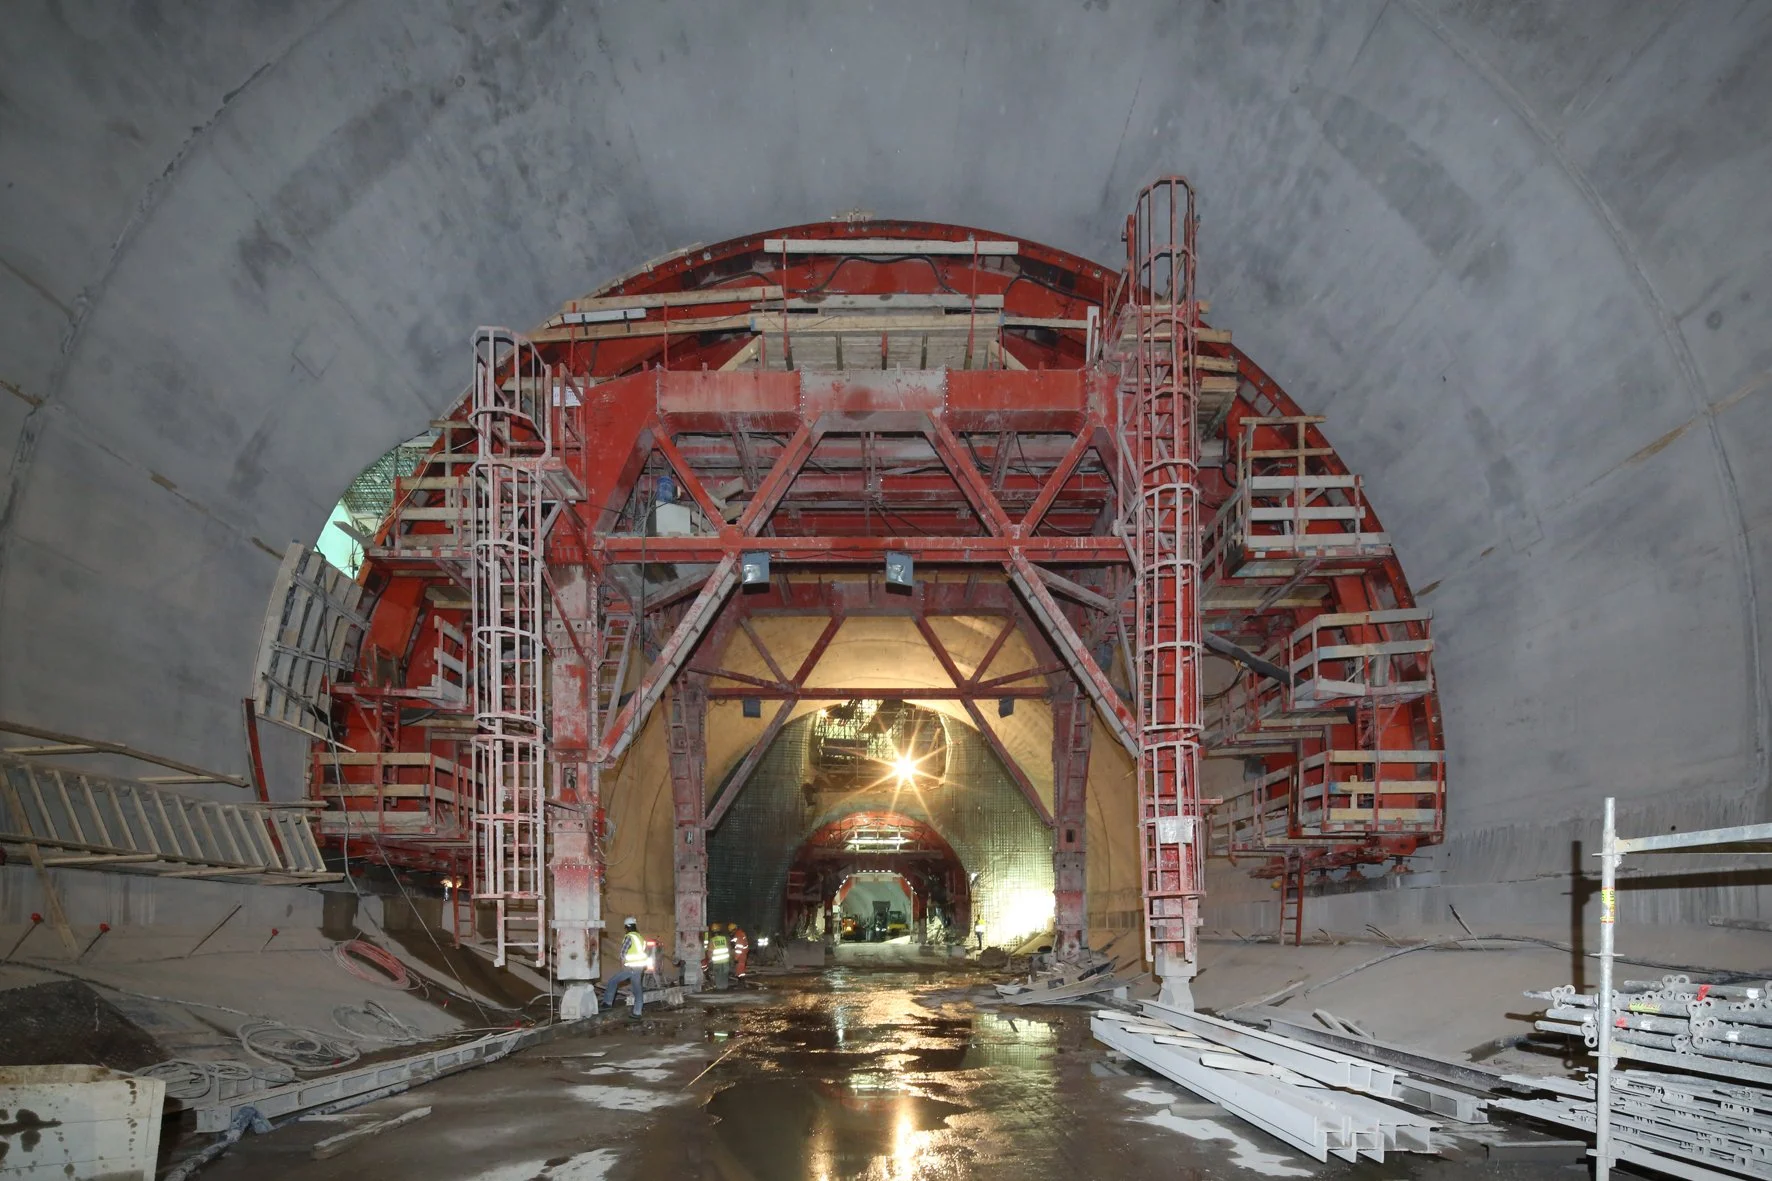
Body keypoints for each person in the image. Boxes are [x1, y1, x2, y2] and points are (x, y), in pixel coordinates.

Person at [602, 916, 650, 1017]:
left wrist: (622, 965)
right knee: (637, 990)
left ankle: (607, 1003)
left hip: (630, 968)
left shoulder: (629, 937)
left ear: (627, 927)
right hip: (639, 968)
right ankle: (637, 1012)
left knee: (612, 981)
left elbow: (623, 953)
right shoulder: (640, 937)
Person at [708, 924, 732, 990]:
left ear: (713, 932)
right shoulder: (724, 939)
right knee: (725, 974)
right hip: (725, 960)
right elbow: (729, 949)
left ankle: (719, 988)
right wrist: (730, 958)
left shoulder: (712, 940)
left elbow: (710, 951)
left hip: (717, 961)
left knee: (718, 975)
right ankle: (725, 987)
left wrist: (710, 959)